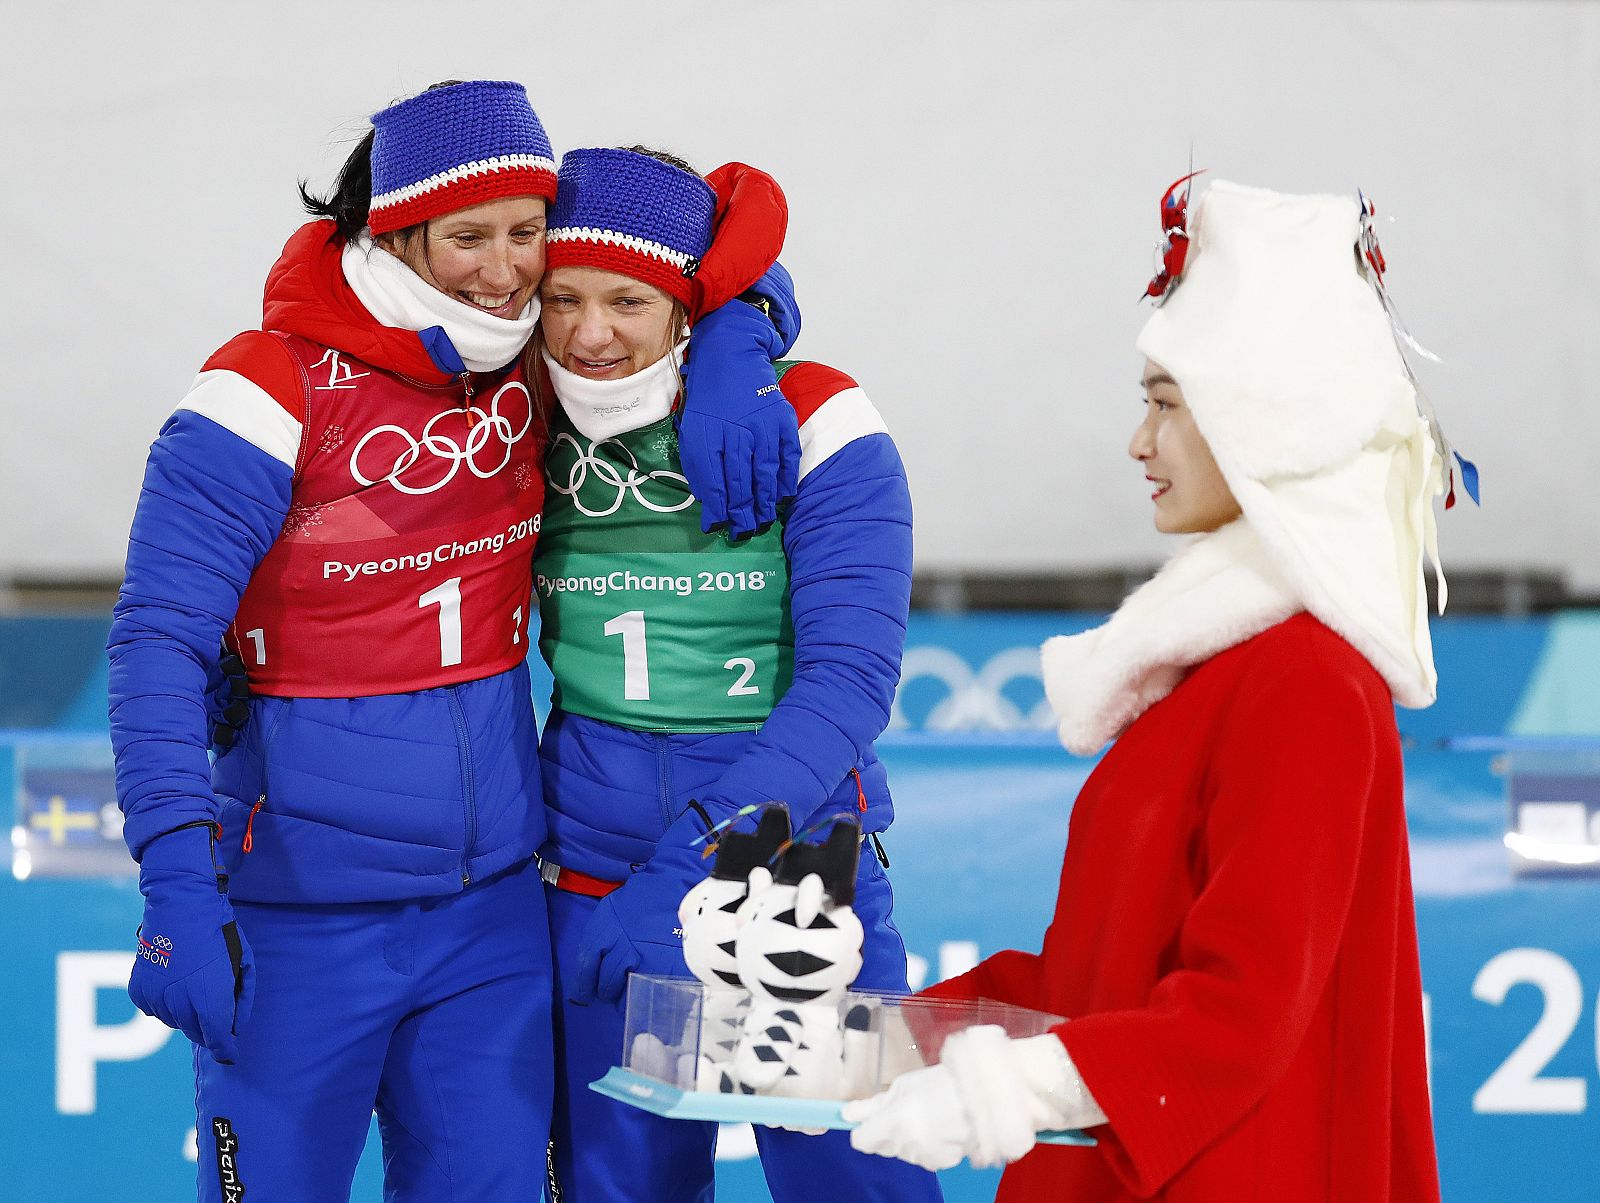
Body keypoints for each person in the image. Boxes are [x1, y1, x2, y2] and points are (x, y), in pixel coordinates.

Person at [107, 80, 798, 1202]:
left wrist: (735, 337)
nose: (504, 268)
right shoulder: (262, 387)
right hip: (297, 917)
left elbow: (696, 239)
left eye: (524, 233)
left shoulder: (541, 364)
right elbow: (153, 647)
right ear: (392, 231)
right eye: (466, 237)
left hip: (490, 923)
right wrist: (173, 880)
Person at [844, 179, 1447, 1202]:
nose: (1138, 443)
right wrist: (857, 1046)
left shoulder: (1306, 679)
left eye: (1165, 406)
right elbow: (1097, 985)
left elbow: (1239, 1016)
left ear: (1266, 428)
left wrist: (1012, 1092)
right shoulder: (1218, 667)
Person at [529, 145, 943, 1203]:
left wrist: (695, 863)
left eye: (628, 299)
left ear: (683, 302)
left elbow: (848, 685)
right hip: (592, 888)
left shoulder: (818, 418)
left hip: (793, 887)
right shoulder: (513, 421)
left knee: (857, 1189)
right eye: (563, 298)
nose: (588, 333)